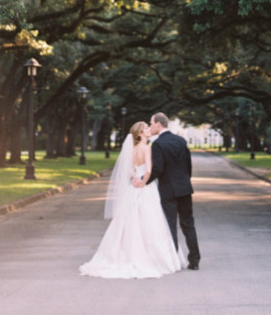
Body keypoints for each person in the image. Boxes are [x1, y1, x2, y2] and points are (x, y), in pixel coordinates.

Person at [79, 121, 184, 278]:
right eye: (146, 128)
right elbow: (148, 170)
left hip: (132, 188)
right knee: (150, 221)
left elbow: (128, 170)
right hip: (145, 188)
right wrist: (143, 181)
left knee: (129, 222)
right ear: (140, 133)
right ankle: (153, 258)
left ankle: (124, 253)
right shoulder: (146, 148)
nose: (149, 130)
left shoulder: (132, 149)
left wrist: (134, 178)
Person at [134, 112, 201, 270]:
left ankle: (173, 259)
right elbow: (188, 165)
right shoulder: (181, 140)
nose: (150, 126)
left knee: (170, 224)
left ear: (158, 124)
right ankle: (195, 259)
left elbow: (157, 169)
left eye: (151, 123)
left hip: (168, 190)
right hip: (184, 188)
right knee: (188, 223)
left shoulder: (158, 144)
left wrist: (143, 180)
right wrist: (185, 181)